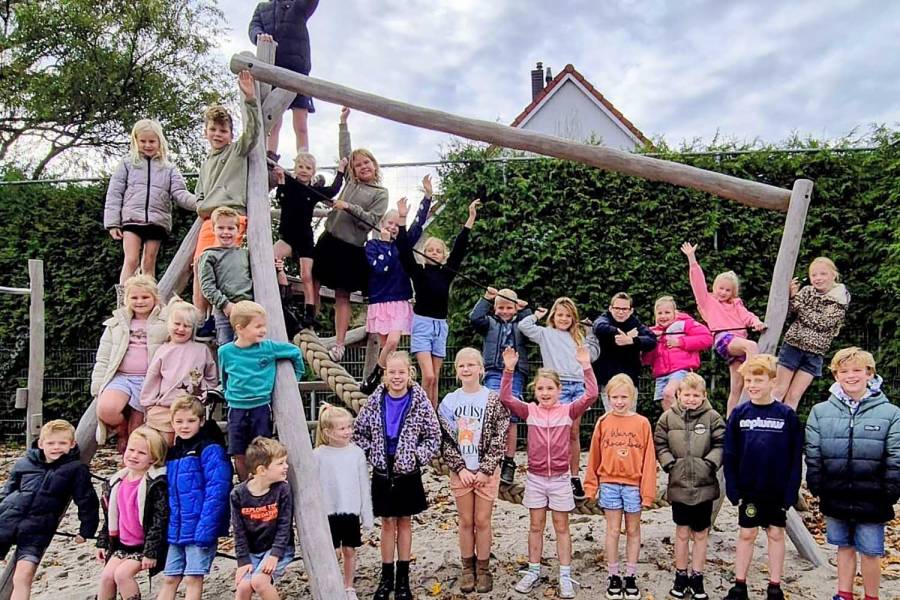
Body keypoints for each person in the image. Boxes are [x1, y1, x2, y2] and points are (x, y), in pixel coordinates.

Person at [500, 346, 598, 599]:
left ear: (559, 391)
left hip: (560, 479)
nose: (545, 393)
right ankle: (533, 571)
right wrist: (508, 370)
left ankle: (565, 575)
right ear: (535, 391)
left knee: (561, 527)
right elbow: (506, 398)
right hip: (535, 478)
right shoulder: (529, 411)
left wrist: (586, 366)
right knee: (535, 526)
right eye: (541, 389)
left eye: (550, 388)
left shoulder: (567, 411)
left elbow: (591, 395)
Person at [805, 347, 900, 600]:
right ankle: (843, 594)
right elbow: (813, 453)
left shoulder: (890, 413)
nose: (851, 376)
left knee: (871, 551)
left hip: (873, 496)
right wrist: (817, 484)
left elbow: (896, 456)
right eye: (843, 371)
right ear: (835, 375)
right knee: (843, 547)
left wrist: (890, 490)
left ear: (869, 373)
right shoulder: (820, 411)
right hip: (835, 493)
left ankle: (871, 596)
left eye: (857, 370)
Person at [353, 351, 440, 600]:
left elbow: (433, 435)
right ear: (385, 374)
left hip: (407, 469)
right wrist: (373, 454)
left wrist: (417, 456)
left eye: (401, 372)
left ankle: (403, 578)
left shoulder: (419, 400)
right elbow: (359, 432)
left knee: (404, 521)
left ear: (409, 373)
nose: (397, 377)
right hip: (382, 468)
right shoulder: (376, 400)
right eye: (392, 372)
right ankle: (386, 576)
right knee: (387, 523)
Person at [723, 355, 803, 600]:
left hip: (776, 491)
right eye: (748, 380)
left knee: (776, 534)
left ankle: (775, 587)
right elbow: (730, 453)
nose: (752, 385)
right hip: (749, 490)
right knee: (747, 534)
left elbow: (794, 458)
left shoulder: (787, 416)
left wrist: (791, 492)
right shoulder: (739, 414)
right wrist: (733, 488)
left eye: (758, 379)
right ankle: (739, 586)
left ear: (772, 381)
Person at [312, 107, 388, 362]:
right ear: (353, 170)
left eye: (367, 162)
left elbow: (370, 222)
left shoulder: (380, 193)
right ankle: (310, 320)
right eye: (358, 164)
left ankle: (340, 343)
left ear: (374, 165)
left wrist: (349, 206)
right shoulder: (351, 182)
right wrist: (343, 123)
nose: (363, 166)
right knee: (312, 276)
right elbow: (346, 152)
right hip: (329, 240)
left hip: (351, 248)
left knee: (342, 295)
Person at [192, 70, 260, 335]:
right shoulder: (206, 162)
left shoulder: (236, 151)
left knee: (227, 264)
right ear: (206, 132)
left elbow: (253, 134)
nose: (218, 134)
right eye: (213, 129)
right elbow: (199, 195)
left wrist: (250, 99)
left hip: (232, 216)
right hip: (210, 217)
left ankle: (222, 312)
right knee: (200, 263)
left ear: (230, 133)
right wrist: (202, 207)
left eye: (223, 130)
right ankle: (202, 317)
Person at [437, 348, 509, 594]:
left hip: (485, 471)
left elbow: (501, 437)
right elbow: (445, 440)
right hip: (462, 471)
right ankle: (467, 568)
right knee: (466, 521)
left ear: (481, 369)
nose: (466, 369)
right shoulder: (449, 402)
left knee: (482, 520)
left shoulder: (493, 399)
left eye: (471, 365)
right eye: (461, 366)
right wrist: (459, 467)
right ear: (456, 371)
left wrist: (486, 469)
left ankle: (483, 568)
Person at [0, 420, 99, 600]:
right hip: (7, 520)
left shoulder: (75, 469)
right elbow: (7, 490)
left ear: (72, 444)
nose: (56, 447)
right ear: (41, 443)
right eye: (51, 443)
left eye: (62, 443)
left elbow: (87, 501)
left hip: (37, 528)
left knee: (23, 575)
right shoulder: (24, 463)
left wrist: (86, 530)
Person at [398, 179, 474, 406]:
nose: (433, 252)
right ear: (424, 253)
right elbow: (403, 250)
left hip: (441, 325)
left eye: (438, 251)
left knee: (436, 378)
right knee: (427, 376)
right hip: (422, 324)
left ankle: (433, 417)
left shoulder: (446, 273)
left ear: (443, 255)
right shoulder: (418, 271)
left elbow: (460, 250)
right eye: (429, 249)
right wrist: (402, 220)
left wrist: (470, 220)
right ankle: (420, 412)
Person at [519, 297, 600, 500]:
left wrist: (591, 334)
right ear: (554, 315)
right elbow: (524, 326)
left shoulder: (579, 337)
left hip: (577, 385)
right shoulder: (546, 334)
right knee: (558, 432)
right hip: (559, 385)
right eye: (560, 314)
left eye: (568, 315)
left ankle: (573, 477)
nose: (564, 319)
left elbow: (592, 355)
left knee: (573, 432)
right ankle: (556, 475)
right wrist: (536, 314)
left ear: (574, 318)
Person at [584, 374, 656, 600]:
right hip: (609, 483)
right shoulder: (603, 422)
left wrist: (647, 492)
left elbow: (649, 460)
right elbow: (594, 455)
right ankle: (614, 575)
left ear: (632, 397)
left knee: (633, 530)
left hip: (633, 485)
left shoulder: (642, 423)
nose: (619, 401)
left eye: (624, 396)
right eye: (615, 397)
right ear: (608, 397)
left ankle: (631, 575)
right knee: (613, 530)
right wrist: (590, 486)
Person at [104, 119, 196, 296]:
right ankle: (123, 299)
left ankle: (149, 299)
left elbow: (180, 193)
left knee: (149, 261)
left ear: (160, 142)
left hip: (157, 221)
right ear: (135, 141)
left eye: (152, 141)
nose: (147, 145)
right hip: (132, 220)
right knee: (131, 259)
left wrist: (200, 203)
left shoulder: (169, 168)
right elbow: (115, 193)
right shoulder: (127, 164)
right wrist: (113, 223)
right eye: (143, 141)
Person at [653, 373, 724, 600]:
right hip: (679, 485)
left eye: (696, 395)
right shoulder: (667, 418)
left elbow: (722, 442)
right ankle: (681, 575)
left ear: (704, 396)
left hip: (704, 485)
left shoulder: (713, 417)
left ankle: (698, 576)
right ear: (678, 395)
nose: (691, 399)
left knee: (701, 533)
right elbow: (660, 442)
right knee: (682, 532)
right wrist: (669, 464)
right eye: (687, 394)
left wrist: (709, 464)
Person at [218, 301, 305, 481]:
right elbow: (224, 377)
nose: (263, 330)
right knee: (238, 451)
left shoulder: (268, 348)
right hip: (237, 408)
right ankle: (245, 484)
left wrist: (294, 380)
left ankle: (264, 483)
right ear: (240, 328)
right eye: (258, 326)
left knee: (262, 448)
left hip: (260, 406)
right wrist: (228, 394)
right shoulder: (225, 351)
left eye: (264, 326)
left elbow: (295, 353)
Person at [158, 396, 232, 600]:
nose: (184, 426)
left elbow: (218, 489)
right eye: (179, 421)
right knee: (170, 577)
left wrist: (207, 527)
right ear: (172, 422)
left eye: (190, 421)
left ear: (200, 421)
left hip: (201, 525)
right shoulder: (173, 453)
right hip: (177, 527)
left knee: (193, 577)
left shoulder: (210, 449)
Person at [681, 242, 766, 417]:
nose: (723, 292)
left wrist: (756, 322)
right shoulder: (707, 301)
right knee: (752, 347)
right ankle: (754, 379)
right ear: (714, 287)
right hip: (724, 339)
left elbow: (747, 316)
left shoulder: (736, 303)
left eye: (728, 290)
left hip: (738, 345)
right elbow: (697, 283)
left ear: (733, 292)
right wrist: (692, 259)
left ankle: (731, 422)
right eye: (720, 288)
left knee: (736, 388)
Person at [92, 274, 167, 453]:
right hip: (122, 378)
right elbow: (103, 357)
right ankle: (121, 430)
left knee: (139, 429)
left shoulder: (165, 322)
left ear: (155, 298)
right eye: (134, 297)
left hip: (149, 380)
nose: (139, 301)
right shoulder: (117, 324)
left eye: (145, 297)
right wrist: (97, 384)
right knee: (106, 409)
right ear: (126, 300)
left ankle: (130, 466)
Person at [272, 154, 347, 328]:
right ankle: (285, 294)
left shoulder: (313, 191)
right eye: (301, 167)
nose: (304, 171)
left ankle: (309, 312)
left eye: (308, 168)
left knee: (307, 275)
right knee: (271, 257)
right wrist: (281, 180)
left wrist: (341, 171)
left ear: (313, 172)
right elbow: (281, 200)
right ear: (295, 168)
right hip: (288, 237)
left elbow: (333, 190)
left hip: (304, 238)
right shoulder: (289, 184)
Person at [96, 427, 170, 600]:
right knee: (107, 576)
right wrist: (102, 543)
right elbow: (110, 518)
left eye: (141, 453)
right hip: (122, 545)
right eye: (131, 450)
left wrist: (151, 552)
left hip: (144, 546)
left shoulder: (155, 485)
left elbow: (159, 521)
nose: (134, 455)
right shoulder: (116, 482)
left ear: (153, 458)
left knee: (122, 575)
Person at [469, 287, 531, 486]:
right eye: (501, 307)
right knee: (493, 409)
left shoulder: (521, 324)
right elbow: (475, 318)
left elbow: (531, 327)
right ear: (495, 309)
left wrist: (525, 310)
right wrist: (486, 299)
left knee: (511, 415)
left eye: (509, 307)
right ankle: (489, 456)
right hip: (495, 371)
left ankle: (509, 461)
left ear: (515, 309)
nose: (504, 311)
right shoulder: (489, 323)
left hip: (516, 374)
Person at [314, 405, 374, 600]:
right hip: (327, 511)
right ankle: (331, 584)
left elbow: (364, 484)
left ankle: (349, 586)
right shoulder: (318, 455)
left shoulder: (356, 453)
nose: (348, 431)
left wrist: (367, 515)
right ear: (327, 432)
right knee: (332, 551)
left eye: (350, 427)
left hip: (350, 510)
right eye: (342, 428)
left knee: (349, 549)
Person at [139, 297, 218, 445]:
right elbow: (153, 377)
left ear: (193, 328)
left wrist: (206, 393)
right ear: (169, 324)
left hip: (190, 408)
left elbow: (211, 375)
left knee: (185, 444)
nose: (181, 329)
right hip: (165, 407)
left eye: (187, 326)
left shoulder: (201, 350)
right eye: (177, 324)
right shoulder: (163, 350)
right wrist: (148, 402)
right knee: (164, 445)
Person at [775, 257, 850, 410]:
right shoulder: (806, 291)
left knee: (794, 396)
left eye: (823, 274)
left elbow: (822, 323)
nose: (818, 278)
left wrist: (799, 305)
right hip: (793, 346)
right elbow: (789, 313)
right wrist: (792, 297)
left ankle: (786, 428)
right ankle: (768, 425)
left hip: (815, 353)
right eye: (814, 275)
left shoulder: (839, 300)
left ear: (833, 275)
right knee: (778, 390)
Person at [358, 206, 415, 394]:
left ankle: (375, 374)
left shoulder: (402, 244)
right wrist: (383, 243)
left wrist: (427, 198)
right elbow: (381, 268)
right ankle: (386, 385)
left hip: (399, 299)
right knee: (387, 349)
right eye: (390, 222)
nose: (393, 227)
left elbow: (418, 226)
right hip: (380, 300)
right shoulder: (372, 246)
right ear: (382, 224)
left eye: (397, 224)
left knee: (393, 341)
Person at [249, 0, 318, 153]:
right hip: (273, 67)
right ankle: (270, 156)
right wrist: (260, 35)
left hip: (297, 68)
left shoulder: (298, 5)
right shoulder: (263, 8)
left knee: (301, 123)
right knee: (273, 119)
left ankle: (303, 159)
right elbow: (254, 27)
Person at [231, 437, 295, 600]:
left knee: (259, 581)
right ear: (262, 470)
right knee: (244, 585)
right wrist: (243, 561)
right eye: (280, 463)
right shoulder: (238, 494)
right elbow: (239, 532)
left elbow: (284, 526)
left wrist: (274, 555)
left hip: (278, 549)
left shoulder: (282, 489)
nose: (286, 466)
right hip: (252, 551)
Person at [641, 295, 712, 412]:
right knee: (666, 403)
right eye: (659, 313)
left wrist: (680, 342)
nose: (663, 316)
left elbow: (707, 338)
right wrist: (652, 342)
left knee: (668, 393)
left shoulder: (685, 324)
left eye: (667, 312)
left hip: (681, 370)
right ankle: (674, 428)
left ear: (675, 313)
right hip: (661, 374)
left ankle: (684, 423)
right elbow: (646, 360)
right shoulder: (651, 332)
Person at [592, 292, 657, 411]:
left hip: (630, 379)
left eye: (625, 309)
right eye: (617, 308)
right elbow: (598, 327)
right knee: (612, 414)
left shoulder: (635, 323)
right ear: (610, 308)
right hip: (608, 379)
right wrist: (620, 334)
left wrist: (631, 340)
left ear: (631, 310)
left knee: (630, 415)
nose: (621, 312)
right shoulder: (604, 319)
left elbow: (652, 340)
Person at [198, 206, 253, 345]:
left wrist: (277, 269)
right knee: (226, 347)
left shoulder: (245, 254)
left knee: (248, 346)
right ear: (213, 229)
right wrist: (225, 305)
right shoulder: (209, 255)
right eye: (221, 228)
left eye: (230, 228)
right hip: (224, 310)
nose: (226, 232)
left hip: (247, 307)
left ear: (238, 230)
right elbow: (207, 286)